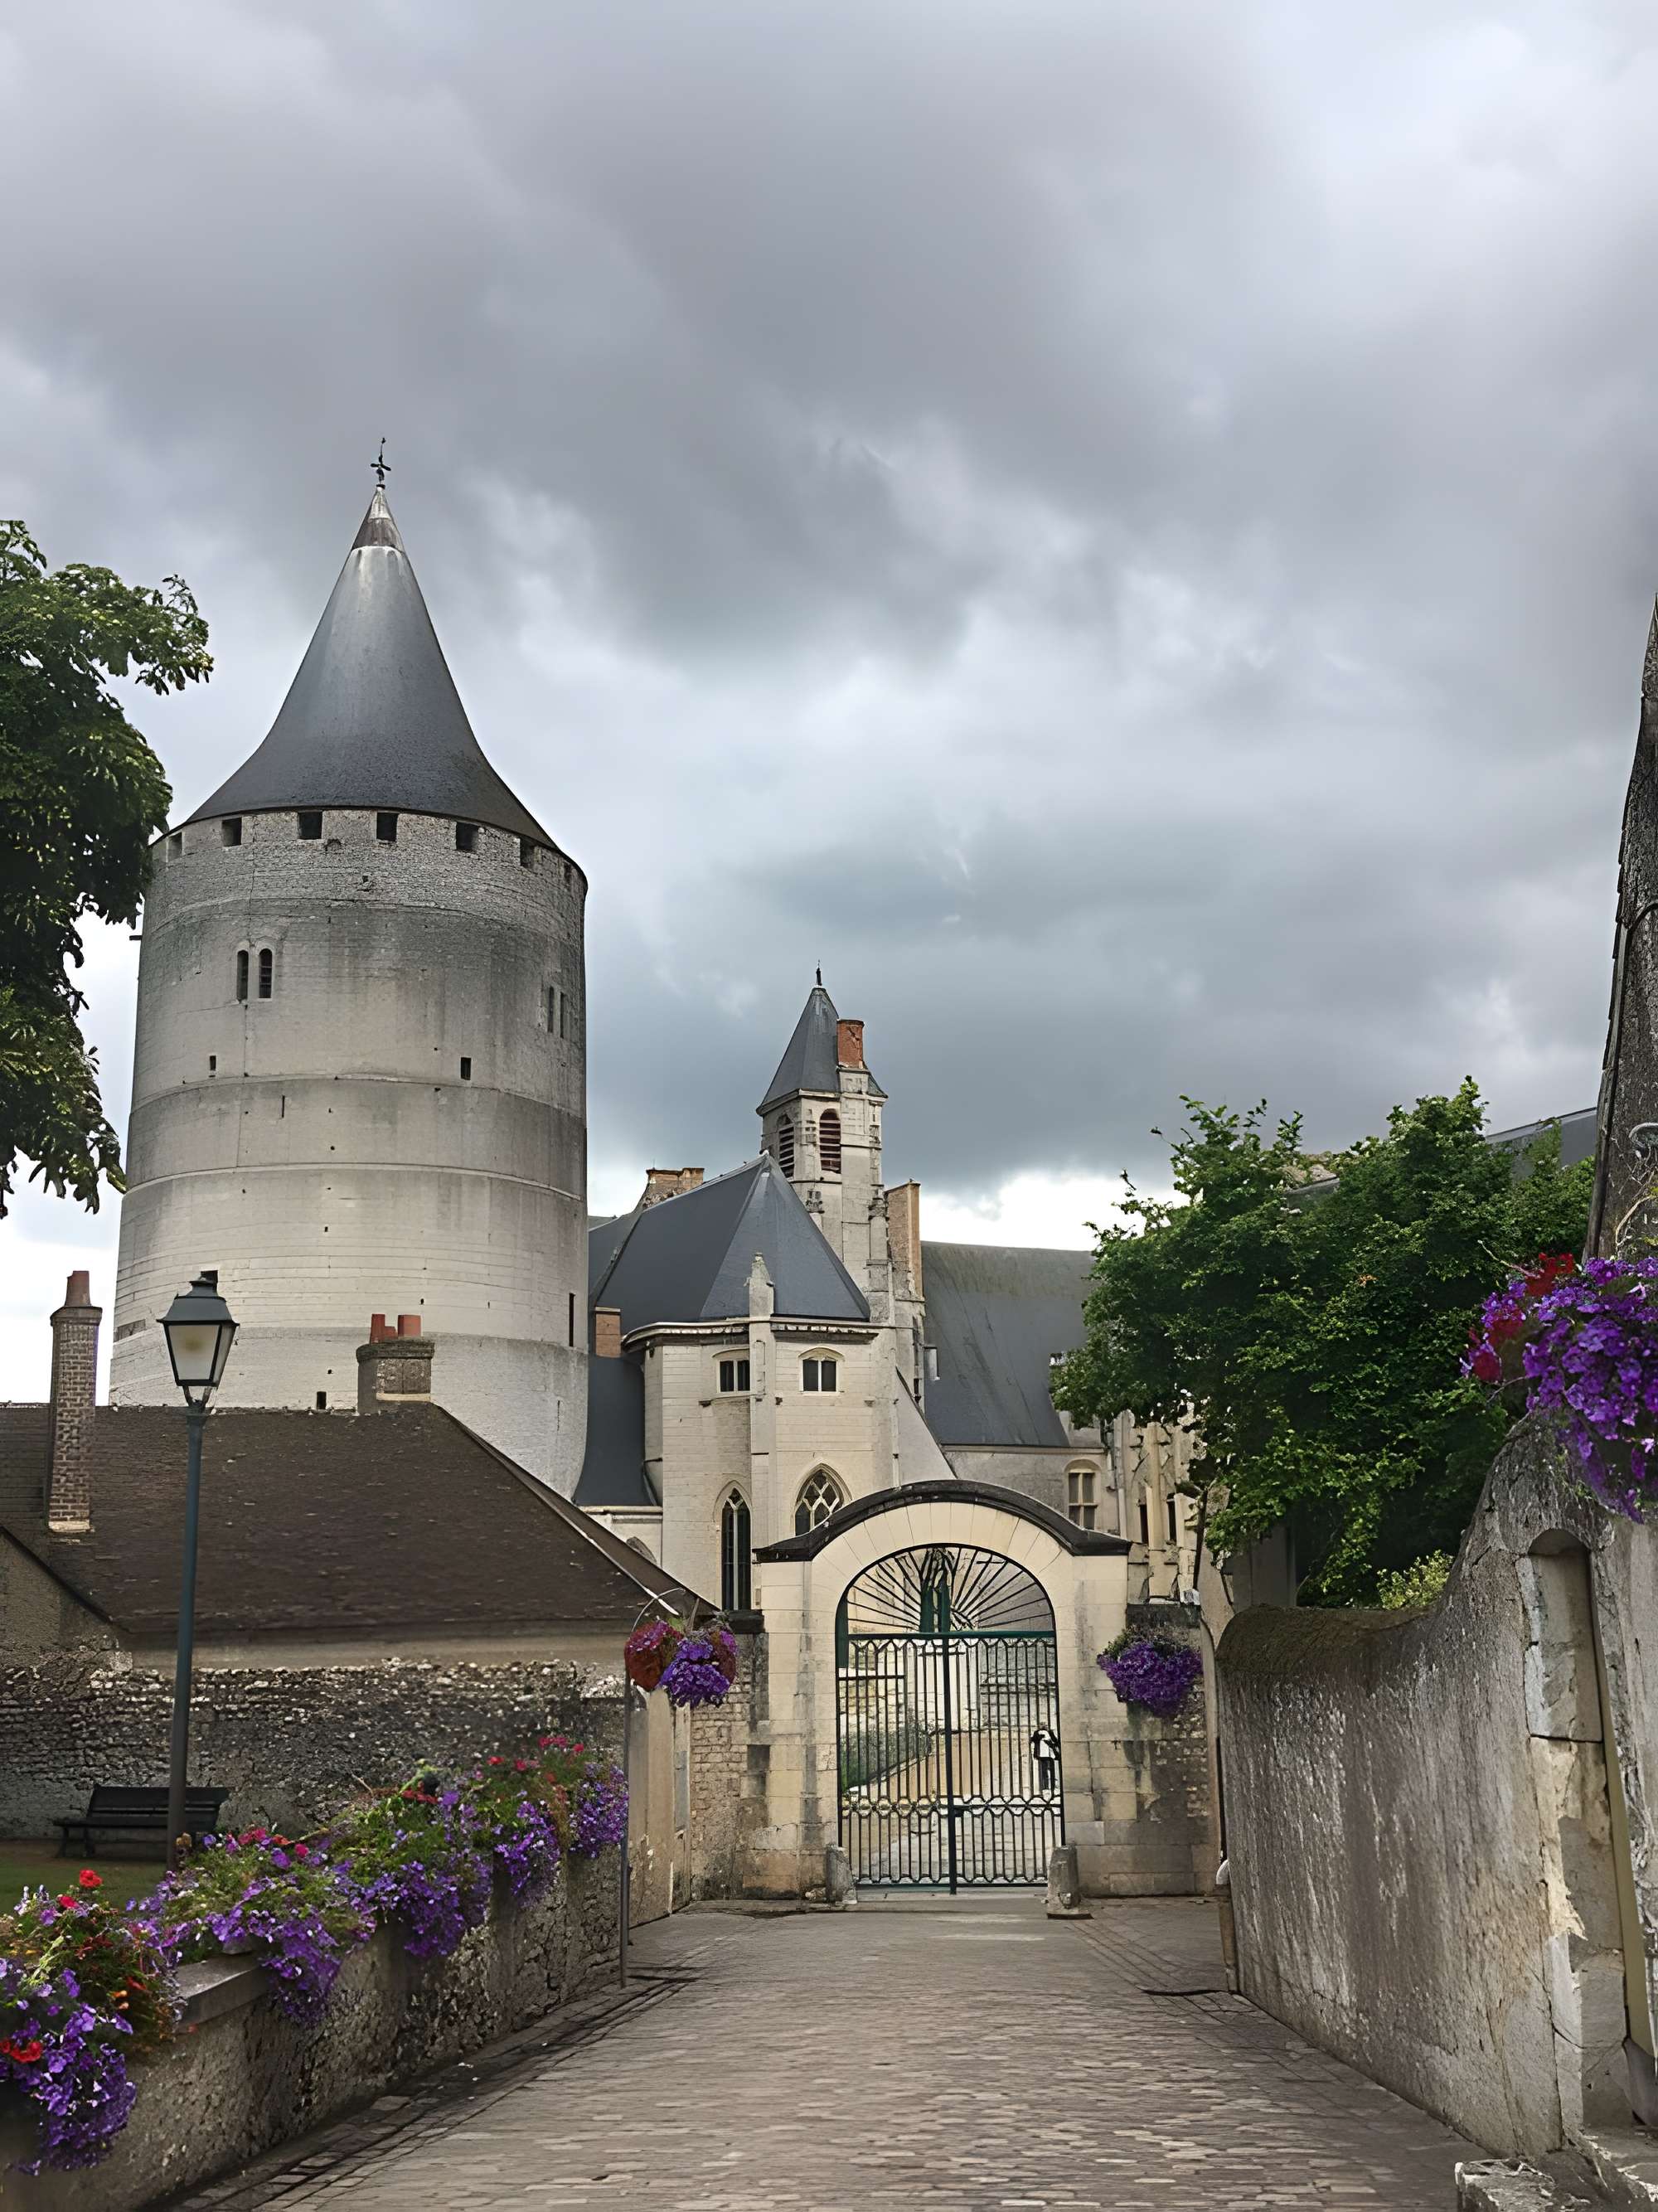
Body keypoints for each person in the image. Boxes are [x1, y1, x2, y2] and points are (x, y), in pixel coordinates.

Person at [1030, 1724, 1059, 1796]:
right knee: (1044, 1771)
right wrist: (1041, 1737)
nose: (1043, 1725)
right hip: (1042, 1754)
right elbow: (1034, 1739)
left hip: (1050, 1754)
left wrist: (1050, 1741)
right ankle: (1045, 1786)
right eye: (1042, 1724)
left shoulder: (1050, 1732)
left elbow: (1055, 1741)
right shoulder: (1037, 1732)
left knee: (1051, 1771)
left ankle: (1052, 1787)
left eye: (1045, 1724)